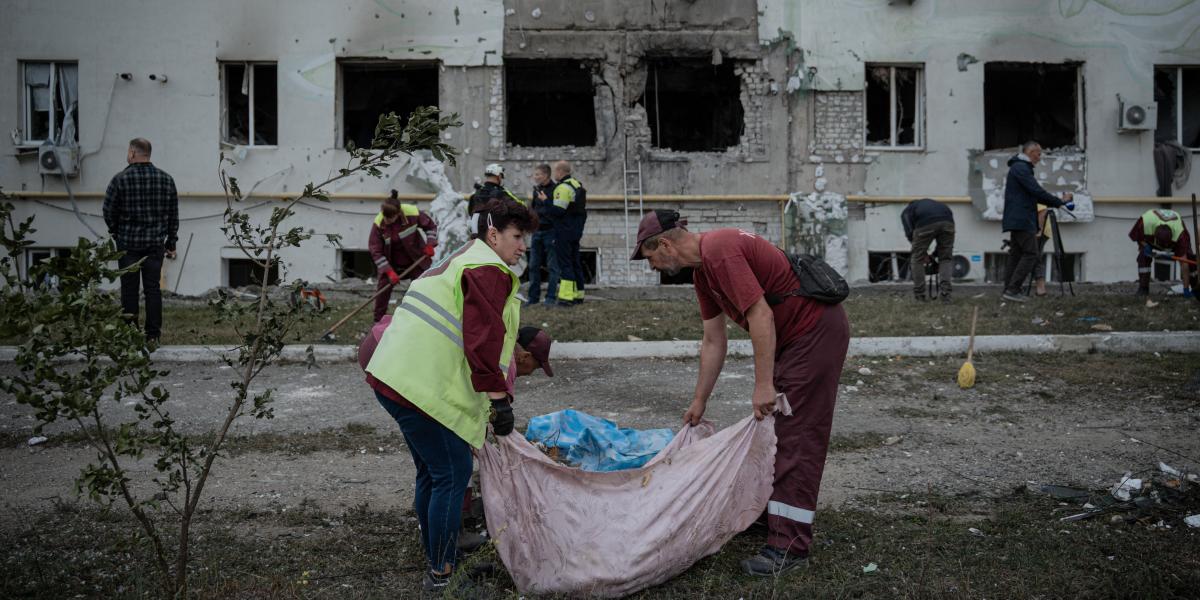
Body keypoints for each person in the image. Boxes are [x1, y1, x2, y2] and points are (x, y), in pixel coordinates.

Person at [630, 210, 850, 577]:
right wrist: (699, 401)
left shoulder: (720, 249)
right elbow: (714, 340)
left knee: (797, 435)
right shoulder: (704, 274)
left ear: (665, 243)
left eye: (650, 257)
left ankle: (789, 548)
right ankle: (774, 515)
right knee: (776, 433)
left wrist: (763, 384)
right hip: (792, 339)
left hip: (814, 333)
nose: (652, 266)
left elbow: (760, 316)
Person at [364, 198, 538, 593]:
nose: (522, 247)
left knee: (433, 473)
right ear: (493, 234)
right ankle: (443, 576)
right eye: (516, 237)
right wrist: (499, 400)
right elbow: (482, 341)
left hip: (397, 377)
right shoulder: (487, 269)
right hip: (418, 387)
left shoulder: (462, 259)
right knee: (451, 475)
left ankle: (442, 558)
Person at [102, 138, 179, 343]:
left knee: (129, 290)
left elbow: (108, 210)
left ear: (133, 153)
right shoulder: (166, 179)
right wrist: (171, 242)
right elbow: (173, 215)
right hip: (154, 244)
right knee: (153, 289)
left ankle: (131, 335)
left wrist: (117, 232)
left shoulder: (120, 179)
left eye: (128, 151)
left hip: (128, 244)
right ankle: (153, 335)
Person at [1000, 141, 1074, 303]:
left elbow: (1034, 194)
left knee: (1016, 255)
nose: (1040, 158)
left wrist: (1056, 202)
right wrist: (1059, 202)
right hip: (1022, 219)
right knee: (1031, 254)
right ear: (1031, 151)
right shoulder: (1021, 168)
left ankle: (1008, 291)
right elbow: (1036, 191)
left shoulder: (1019, 168)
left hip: (1018, 218)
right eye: (1039, 154)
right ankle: (1013, 290)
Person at [368, 191, 439, 322]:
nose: (387, 221)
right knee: (382, 291)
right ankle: (378, 322)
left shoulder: (412, 213)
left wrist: (430, 243)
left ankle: (424, 318)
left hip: (415, 259)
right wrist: (388, 271)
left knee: (424, 288)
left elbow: (431, 227)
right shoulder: (379, 223)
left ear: (398, 214)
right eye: (385, 217)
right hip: (391, 264)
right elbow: (375, 250)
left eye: (390, 218)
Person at [1129, 208, 1196, 297]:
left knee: (1189, 259)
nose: (1164, 248)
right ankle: (1143, 288)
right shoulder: (1145, 222)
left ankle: (1194, 288)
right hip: (1151, 238)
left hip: (1175, 239)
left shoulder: (1181, 235)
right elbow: (1136, 235)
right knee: (1143, 256)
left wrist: (1186, 289)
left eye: (1167, 246)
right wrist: (1145, 245)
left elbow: (1184, 263)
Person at [900, 198, 955, 303]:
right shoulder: (939, 204)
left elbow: (910, 233)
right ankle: (946, 296)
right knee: (945, 258)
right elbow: (942, 226)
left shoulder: (907, 211)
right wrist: (935, 254)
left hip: (926, 223)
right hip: (948, 222)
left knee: (917, 259)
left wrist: (922, 253)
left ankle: (920, 296)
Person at [551, 160, 587, 306]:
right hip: (575, 231)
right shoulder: (577, 185)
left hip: (564, 231)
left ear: (560, 172)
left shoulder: (563, 188)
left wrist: (546, 202)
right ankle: (579, 295)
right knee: (575, 262)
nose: (554, 174)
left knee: (565, 264)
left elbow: (558, 211)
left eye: (555, 171)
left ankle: (566, 298)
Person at [526, 164, 561, 306]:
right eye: (535, 174)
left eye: (538, 174)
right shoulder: (536, 190)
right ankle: (533, 299)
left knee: (552, 266)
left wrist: (546, 201)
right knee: (533, 265)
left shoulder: (556, 190)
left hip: (550, 232)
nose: (535, 177)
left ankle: (550, 298)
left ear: (546, 175)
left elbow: (557, 213)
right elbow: (534, 210)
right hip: (537, 232)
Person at [1030, 204, 1053, 296]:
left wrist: (1039, 230)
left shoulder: (1033, 193)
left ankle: (1041, 288)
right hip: (1035, 231)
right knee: (1032, 257)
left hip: (1039, 232)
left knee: (1035, 257)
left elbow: (1042, 212)